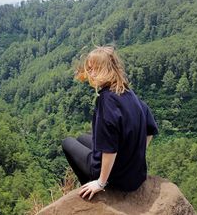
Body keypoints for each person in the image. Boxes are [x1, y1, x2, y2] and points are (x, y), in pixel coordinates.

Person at [61, 45, 159, 201]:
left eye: (93, 69)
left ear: (104, 70)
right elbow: (150, 129)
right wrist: (136, 156)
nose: (89, 73)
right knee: (81, 138)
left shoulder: (106, 101)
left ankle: (90, 186)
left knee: (67, 142)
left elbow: (110, 150)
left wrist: (100, 183)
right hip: (135, 173)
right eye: (89, 69)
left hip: (117, 178)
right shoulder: (127, 92)